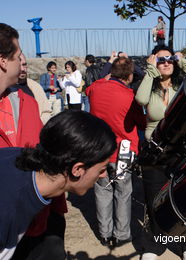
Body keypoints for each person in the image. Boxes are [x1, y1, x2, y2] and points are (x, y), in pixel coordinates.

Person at [0, 110, 117, 259]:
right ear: (78, 169)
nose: (104, 175)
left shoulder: (15, 157)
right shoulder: (7, 209)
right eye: (101, 169)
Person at [0, 23, 68, 260]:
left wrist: (56, 212)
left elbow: (43, 154)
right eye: (19, 56)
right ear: (3, 60)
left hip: (38, 223)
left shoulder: (27, 102)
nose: (22, 63)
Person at [135, 45, 186, 260]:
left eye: (169, 59)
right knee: (154, 199)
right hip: (154, 151)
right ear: (154, 61)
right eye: (161, 60)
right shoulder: (149, 85)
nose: (166, 63)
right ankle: (155, 245)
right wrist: (150, 70)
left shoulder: (182, 85)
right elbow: (141, 100)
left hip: (180, 149)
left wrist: (184, 62)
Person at [87, 57, 146, 248]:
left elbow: (95, 84)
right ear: (130, 76)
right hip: (124, 151)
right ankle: (121, 234)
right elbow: (142, 123)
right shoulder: (131, 97)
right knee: (123, 192)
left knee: (102, 191)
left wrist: (109, 65)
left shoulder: (95, 88)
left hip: (98, 151)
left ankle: (104, 234)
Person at [11, 53, 52, 124]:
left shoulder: (35, 86)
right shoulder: (5, 88)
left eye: (24, 65)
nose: (22, 69)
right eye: (18, 65)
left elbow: (46, 111)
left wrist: (39, 124)